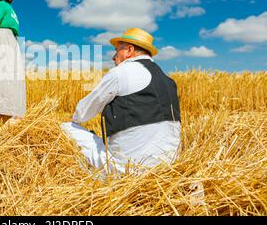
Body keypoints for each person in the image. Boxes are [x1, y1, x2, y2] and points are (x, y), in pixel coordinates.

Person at [61, 28, 181, 174]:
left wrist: (74, 120)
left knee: (66, 128)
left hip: (129, 169)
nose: (113, 57)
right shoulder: (168, 80)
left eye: (116, 50)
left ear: (129, 50)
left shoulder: (122, 72)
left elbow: (83, 112)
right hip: (166, 169)